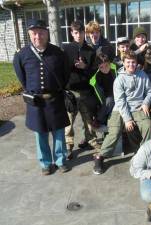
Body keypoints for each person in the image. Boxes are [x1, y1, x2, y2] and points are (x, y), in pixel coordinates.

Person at [13, 19, 70, 175]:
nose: (38, 36)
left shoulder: (58, 53)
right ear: (30, 35)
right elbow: (21, 77)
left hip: (55, 99)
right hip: (35, 102)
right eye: (34, 33)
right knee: (40, 133)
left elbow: (65, 74)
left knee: (59, 132)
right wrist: (32, 90)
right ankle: (45, 163)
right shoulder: (22, 55)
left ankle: (60, 160)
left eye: (41, 33)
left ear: (47, 33)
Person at [93, 51, 151, 175]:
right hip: (120, 109)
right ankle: (100, 156)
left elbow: (149, 92)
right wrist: (127, 119)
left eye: (133, 62)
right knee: (114, 133)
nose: (131, 64)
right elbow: (120, 101)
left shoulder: (143, 75)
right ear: (124, 63)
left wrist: (146, 103)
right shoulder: (119, 79)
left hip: (138, 107)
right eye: (128, 62)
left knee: (147, 125)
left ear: (136, 63)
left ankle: (141, 154)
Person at [63, 20, 98, 157]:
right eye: (76, 33)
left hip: (85, 91)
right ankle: (69, 147)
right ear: (72, 33)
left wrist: (85, 67)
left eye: (81, 32)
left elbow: (95, 72)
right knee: (69, 123)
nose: (79, 35)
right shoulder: (66, 49)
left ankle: (92, 141)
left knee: (88, 120)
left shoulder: (90, 51)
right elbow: (61, 71)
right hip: (71, 92)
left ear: (84, 33)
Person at [90, 52, 117, 125]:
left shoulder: (115, 69)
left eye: (106, 66)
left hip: (117, 93)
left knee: (110, 101)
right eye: (101, 67)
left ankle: (99, 119)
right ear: (98, 67)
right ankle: (101, 119)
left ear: (110, 63)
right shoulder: (97, 77)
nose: (105, 69)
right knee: (109, 101)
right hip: (106, 97)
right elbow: (99, 93)